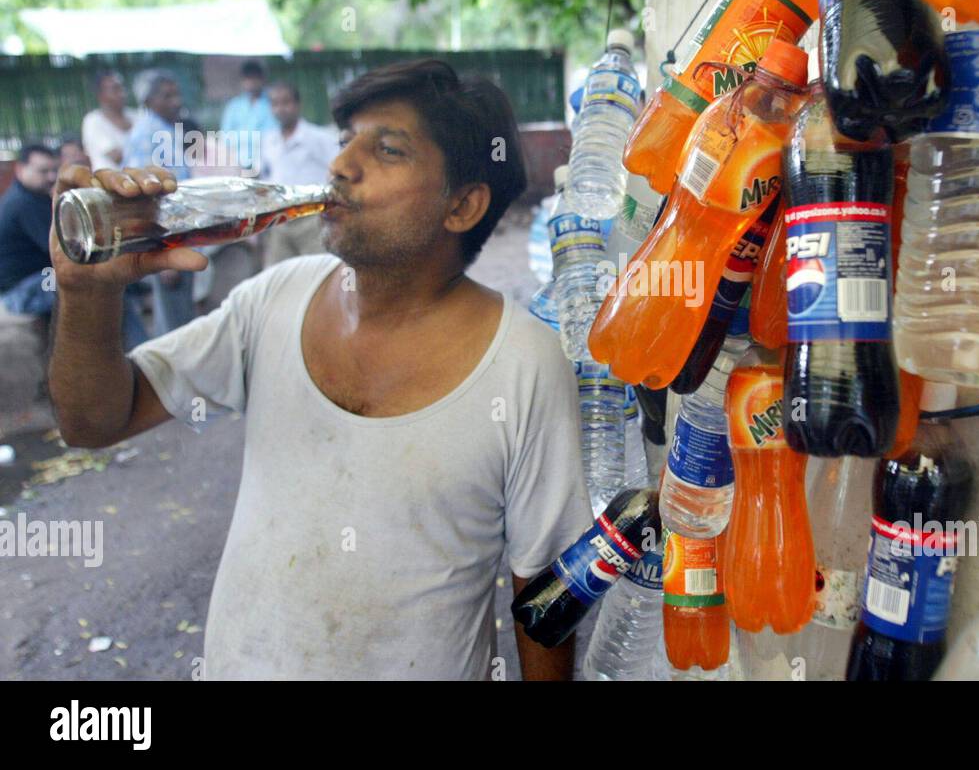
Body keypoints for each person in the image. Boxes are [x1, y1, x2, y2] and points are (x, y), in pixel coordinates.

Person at [47, 58, 591, 680]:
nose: (340, 167)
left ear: (463, 205)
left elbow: (547, 590)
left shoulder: (524, 363)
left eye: (386, 150)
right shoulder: (275, 297)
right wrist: (86, 295)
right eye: (343, 142)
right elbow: (92, 422)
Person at [123, 68, 196, 336]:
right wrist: (162, 254)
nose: (176, 101)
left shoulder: (165, 130)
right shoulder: (148, 134)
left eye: (176, 94)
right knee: (174, 326)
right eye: (167, 96)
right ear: (148, 102)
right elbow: (146, 198)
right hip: (167, 242)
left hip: (180, 235)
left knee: (181, 318)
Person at [260, 81, 337, 264]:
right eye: (275, 104)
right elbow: (266, 176)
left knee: (318, 272)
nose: (281, 109)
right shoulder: (269, 140)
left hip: (311, 219)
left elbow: (336, 171)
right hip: (279, 219)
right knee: (277, 275)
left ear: (297, 104)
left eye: (286, 102)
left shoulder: (318, 138)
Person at [0, 143, 59, 319]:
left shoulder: (34, 196)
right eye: (43, 171)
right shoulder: (23, 203)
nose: (51, 177)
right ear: (20, 169)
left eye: (54, 170)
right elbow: (58, 250)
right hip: (22, 291)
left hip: (40, 279)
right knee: (97, 287)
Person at [81, 70, 133, 171]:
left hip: (145, 181)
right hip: (110, 183)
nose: (122, 94)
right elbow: (117, 157)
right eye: (115, 90)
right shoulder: (93, 121)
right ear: (100, 95)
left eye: (122, 88)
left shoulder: (137, 116)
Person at [220, 60, 277, 138]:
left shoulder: (272, 102)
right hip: (236, 149)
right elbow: (225, 134)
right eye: (248, 78)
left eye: (255, 78)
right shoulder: (234, 105)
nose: (251, 82)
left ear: (262, 79)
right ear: (242, 80)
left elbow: (272, 133)